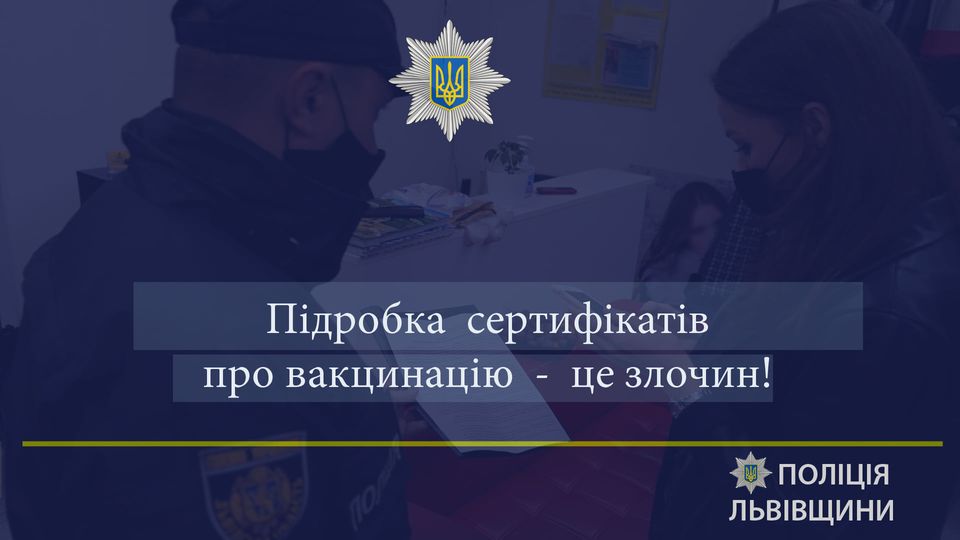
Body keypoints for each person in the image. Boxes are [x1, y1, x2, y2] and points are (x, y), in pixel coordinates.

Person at [0, 1, 411, 539]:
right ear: (309, 100)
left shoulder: (103, 228)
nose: (373, 144)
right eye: (373, 115)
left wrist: (354, 427)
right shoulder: (229, 343)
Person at [650, 2, 960, 538]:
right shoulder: (861, 227)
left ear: (815, 126)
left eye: (745, 146)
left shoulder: (889, 313)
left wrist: (682, 383)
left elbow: (782, 497)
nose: (740, 167)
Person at [634, 181, 727, 305]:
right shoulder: (660, 277)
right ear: (682, 235)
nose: (713, 236)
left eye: (718, 224)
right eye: (699, 230)